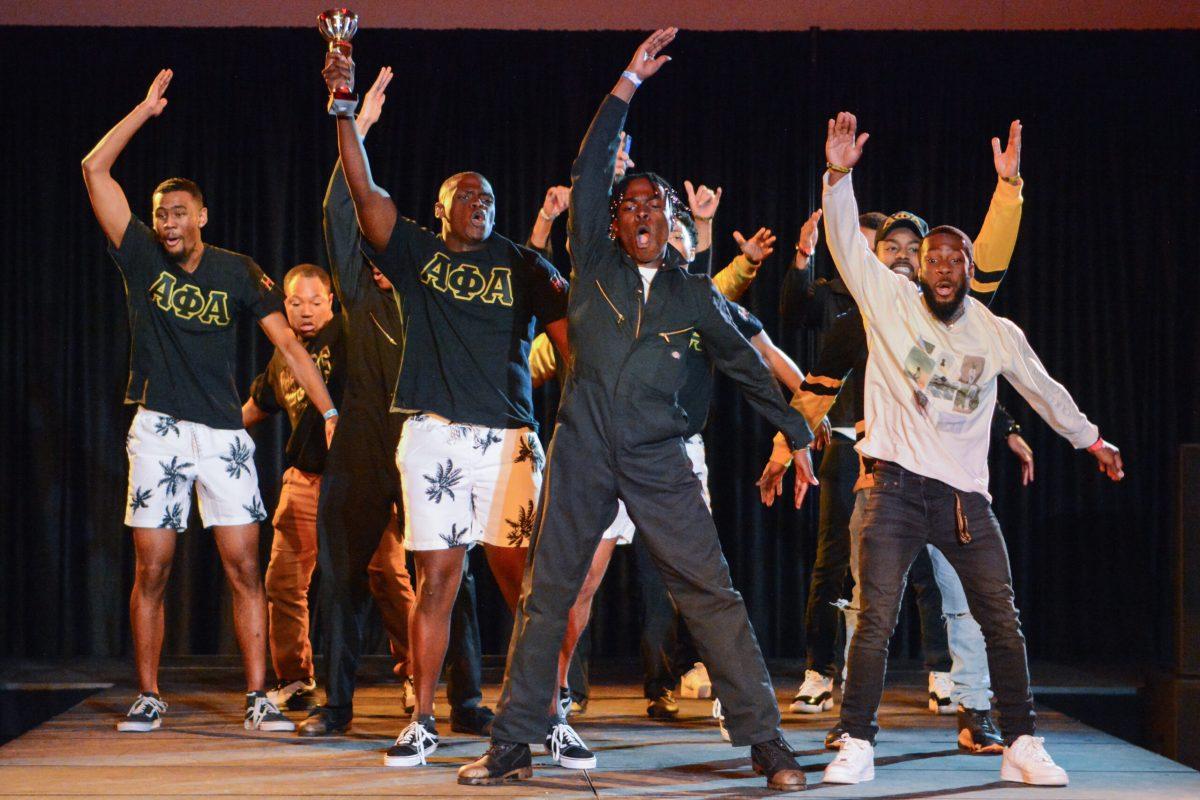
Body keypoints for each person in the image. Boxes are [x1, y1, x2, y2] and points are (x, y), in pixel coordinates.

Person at [458, 30, 816, 792]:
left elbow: (751, 372)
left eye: (655, 203)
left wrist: (796, 431)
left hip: (660, 458)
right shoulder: (591, 270)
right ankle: (513, 744)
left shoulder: (695, 294)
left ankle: (770, 745)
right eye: (630, 205)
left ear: (672, 220)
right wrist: (626, 83)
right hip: (585, 449)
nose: (642, 212)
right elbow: (592, 167)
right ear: (613, 223)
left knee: (711, 595)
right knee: (546, 596)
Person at [817, 111, 1124, 787]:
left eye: (958, 259)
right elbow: (843, 241)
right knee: (874, 623)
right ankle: (858, 744)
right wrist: (838, 176)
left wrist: (1091, 439)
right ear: (920, 268)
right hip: (893, 488)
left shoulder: (994, 330)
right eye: (935, 260)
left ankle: (1021, 742)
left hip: (962, 501)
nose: (946, 269)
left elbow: (1044, 391)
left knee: (1001, 621)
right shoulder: (889, 302)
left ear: (970, 267)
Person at [321, 53, 571, 767]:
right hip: (432, 437)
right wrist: (344, 106)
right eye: (466, 193)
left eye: (488, 195)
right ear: (439, 208)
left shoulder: (524, 264)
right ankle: (422, 718)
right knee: (437, 577)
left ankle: (548, 713)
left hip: (509, 441)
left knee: (528, 585)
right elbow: (362, 186)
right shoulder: (414, 253)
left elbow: (570, 347)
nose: (480, 201)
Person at [761, 121, 1031, 752]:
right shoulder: (864, 318)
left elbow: (989, 280)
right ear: (875, 259)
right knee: (868, 601)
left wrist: (1008, 187)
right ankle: (854, 719)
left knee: (964, 601)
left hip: (955, 484)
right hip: (879, 474)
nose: (908, 256)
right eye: (895, 248)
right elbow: (816, 391)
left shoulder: (961, 310)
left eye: (918, 247)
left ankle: (975, 709)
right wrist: (783, 448)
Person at [82, 70, 337, 733]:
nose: (167, 222)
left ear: (201, 217)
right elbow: (93, 167)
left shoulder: (235, 270)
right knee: (153, 566)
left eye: (177, 212)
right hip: (159, 428)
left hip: (222, 433)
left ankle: (259, 698)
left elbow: (290, 345)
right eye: (160, 212)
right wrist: (142, 111)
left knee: (245, 566)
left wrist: (331, 412)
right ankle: (149, 694)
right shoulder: (140, 256)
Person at [300, 68, 497, 740]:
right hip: (361, 443)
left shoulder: (439, 288)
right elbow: (340, 212)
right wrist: (359, 123)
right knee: (341, 579)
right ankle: (336, 704)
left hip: (431, 440)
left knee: (453, 579)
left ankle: (466, 699)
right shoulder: (356, 289)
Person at [241, 263, 416, 716]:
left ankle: (418, 672)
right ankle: (296, 678)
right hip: (305, 479)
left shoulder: (352, 335)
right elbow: (259, 404)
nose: (305, 312)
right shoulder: (284, 354)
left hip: (359, 480)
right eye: (295, 303)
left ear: (332, 303)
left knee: (388, 578)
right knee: (283, 580)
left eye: (315, 302)